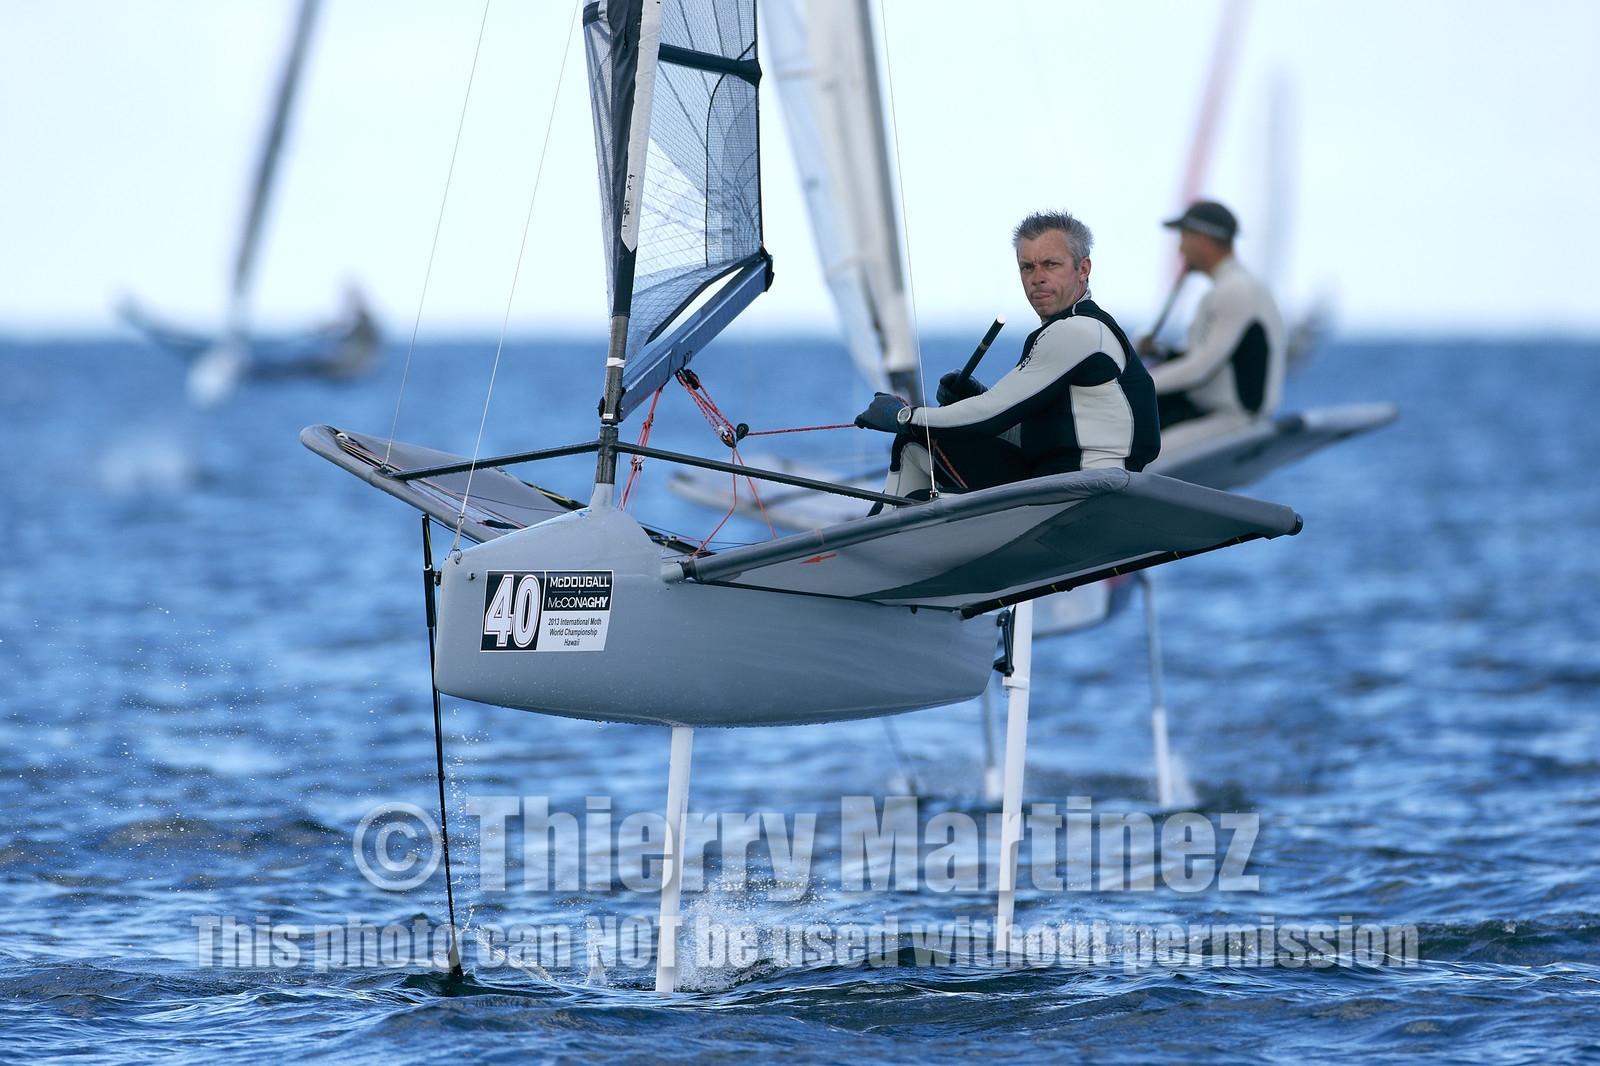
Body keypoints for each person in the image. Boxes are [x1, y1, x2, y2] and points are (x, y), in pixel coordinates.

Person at [854, 211, 1158, 499]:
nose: (1036, 278)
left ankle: (875, 542)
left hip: (1078, 493)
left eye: (1050, 264)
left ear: (1083, 269)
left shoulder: (1075, 331)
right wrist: (974, 398)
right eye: (1027, 267)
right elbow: (1036, 433)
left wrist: (902, 416)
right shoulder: (1089, 328)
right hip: (1078, 484)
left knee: (916, 439)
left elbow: (989, 416)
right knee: (931, 445)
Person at [1138, 201, 1286, 452]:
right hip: (1208, 413)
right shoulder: (1234, 287)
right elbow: (1213, 358)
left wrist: (1131, 385)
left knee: (1137, 459)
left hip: (1230, 421)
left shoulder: (1235, 290)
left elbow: (1200, 368)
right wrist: (1162, 353)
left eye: (1184, 238)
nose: (1181, 249)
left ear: (1203, 239)